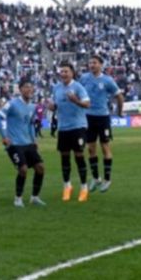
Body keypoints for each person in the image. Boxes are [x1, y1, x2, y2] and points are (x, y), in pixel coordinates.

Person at [0, 78, 46, 208]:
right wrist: (4, 136)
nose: (29, 89)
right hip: (14, 144)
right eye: (26, 87)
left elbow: (30, 124)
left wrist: (34, 139)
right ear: (20, 89)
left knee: (40, 168)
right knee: (23, 169)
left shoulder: (32, 106)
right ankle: (18, 198)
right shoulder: (12, 103)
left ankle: (34, 197)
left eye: (31, 87)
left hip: (28, 143)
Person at [79, 56, 122, 193]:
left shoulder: (107, 80)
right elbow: (77, 93)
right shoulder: (84, 78)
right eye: (90, 62)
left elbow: (119, 96)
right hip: (87, 117)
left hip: (102, 118)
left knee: (105, 147)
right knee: (91, 149)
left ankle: (107, 179)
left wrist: (120, 111)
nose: (92, 65)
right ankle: (96, 178)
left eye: (95, 63)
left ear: (101, 65)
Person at [50, 62, 92, 202]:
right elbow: (55, 105)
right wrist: (52, 107)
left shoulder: (78, 87)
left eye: (66, 71)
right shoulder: (56, 88)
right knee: (64, 157)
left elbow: (87, 104)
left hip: (78, 126)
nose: (63, 74)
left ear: (72, 73)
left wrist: (76, 101)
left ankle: (84, 188)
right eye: (62, 71)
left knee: (79, 156)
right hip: (63, 127)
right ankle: (67, 186)